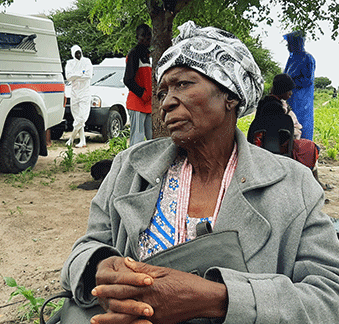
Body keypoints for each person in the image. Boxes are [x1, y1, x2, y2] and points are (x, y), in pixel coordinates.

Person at [60, 21, 339, 324]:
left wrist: (218, 299)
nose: (166, 102)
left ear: (230, 95)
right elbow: (84, 249)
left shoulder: (294, 185)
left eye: (183, 84)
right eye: (163, 91)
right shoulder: (130, 168)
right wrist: (99, 265)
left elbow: (328, 297)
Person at [255, 73, 331, 190]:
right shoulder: (277, 107)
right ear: (282, 90)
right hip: (278, 145)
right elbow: (283, 132)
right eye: (289, 91)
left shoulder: (263, 103)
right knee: (311, 148)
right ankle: (314, 183)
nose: (291, 94)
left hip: (260, 143)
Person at [124, 24, 153, 146]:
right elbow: (128, 80)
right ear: (137, 37)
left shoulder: (149, 56)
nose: (146, 39)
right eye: (143, 36)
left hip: (149, 104)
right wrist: (143, 93)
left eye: (148, 36)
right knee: (137, 141)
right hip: (137, 103)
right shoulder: (134, 54)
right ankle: (132, 165)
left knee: (152, 139)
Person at [283, 31, 316, 140]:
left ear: (298, 43)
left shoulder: (307, 58)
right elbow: (285, 76)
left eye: (290, 44)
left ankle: (303, 150)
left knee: (302, 125)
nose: (288, 47)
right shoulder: (291, 59)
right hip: (289, 98)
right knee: (289, 123)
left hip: (302, 101)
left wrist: (291, 83)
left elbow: (307, 80)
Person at [65, 45, 93, 148]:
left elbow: (88, 75)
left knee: (81, 117)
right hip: (74, 93)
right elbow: (68, 77)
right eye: (76, 53)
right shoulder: (70, 63)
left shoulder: (87, 61)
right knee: (76, 116)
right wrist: (81, 73)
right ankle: (83, 141)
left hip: (84, 93)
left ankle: (71, 138)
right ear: (73, 54)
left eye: (79, 52)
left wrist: (75, 75)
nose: (78, 55)